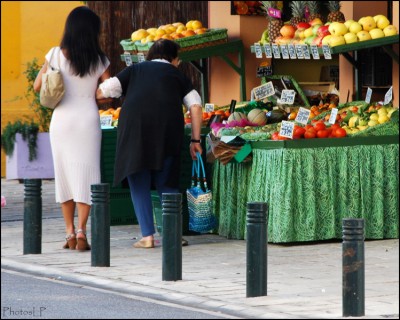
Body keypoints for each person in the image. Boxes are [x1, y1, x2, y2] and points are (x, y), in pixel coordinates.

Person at [96, 39, 203, 249]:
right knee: (167, 181)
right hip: (168, 132)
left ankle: (147, 236)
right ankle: (172, 234)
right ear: (174, 59)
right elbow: (196, 107)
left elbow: (104, 91)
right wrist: (195, 140)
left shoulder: (134, 70)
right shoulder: (178, 75)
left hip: (135, 131)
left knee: (138, 179)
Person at [34, 6, 110, 251]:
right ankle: (81, 231)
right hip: (88, 119)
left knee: (65, 176)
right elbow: (110, 90)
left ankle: (68, 232)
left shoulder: (55, 55)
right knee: (87, 176)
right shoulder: (99, 60)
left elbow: (37, 86)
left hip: (62, 120)